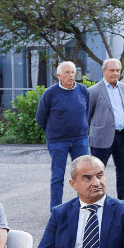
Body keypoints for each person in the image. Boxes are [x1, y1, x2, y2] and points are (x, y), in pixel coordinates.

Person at [36, 61, 90, 210]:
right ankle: (56, 209)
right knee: (58, 176)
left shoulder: (83, 90)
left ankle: (85, 206)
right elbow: (40, 118)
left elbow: (86, 113)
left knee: (84, 174)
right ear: (59, 75)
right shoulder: (50, 93)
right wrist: (54, 132)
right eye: (67, 72)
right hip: (58, 141)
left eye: (73, 72)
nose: (71, 75)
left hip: (80, 140)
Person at [88, 58, 124, 201]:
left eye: (118, 70)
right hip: (101, 137)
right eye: (112, 70)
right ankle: (95, 198)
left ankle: (123, 199)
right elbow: (87, 116)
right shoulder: (93, 91)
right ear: (104, 71)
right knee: (97, 171)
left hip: (122, 135)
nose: (115, 73)